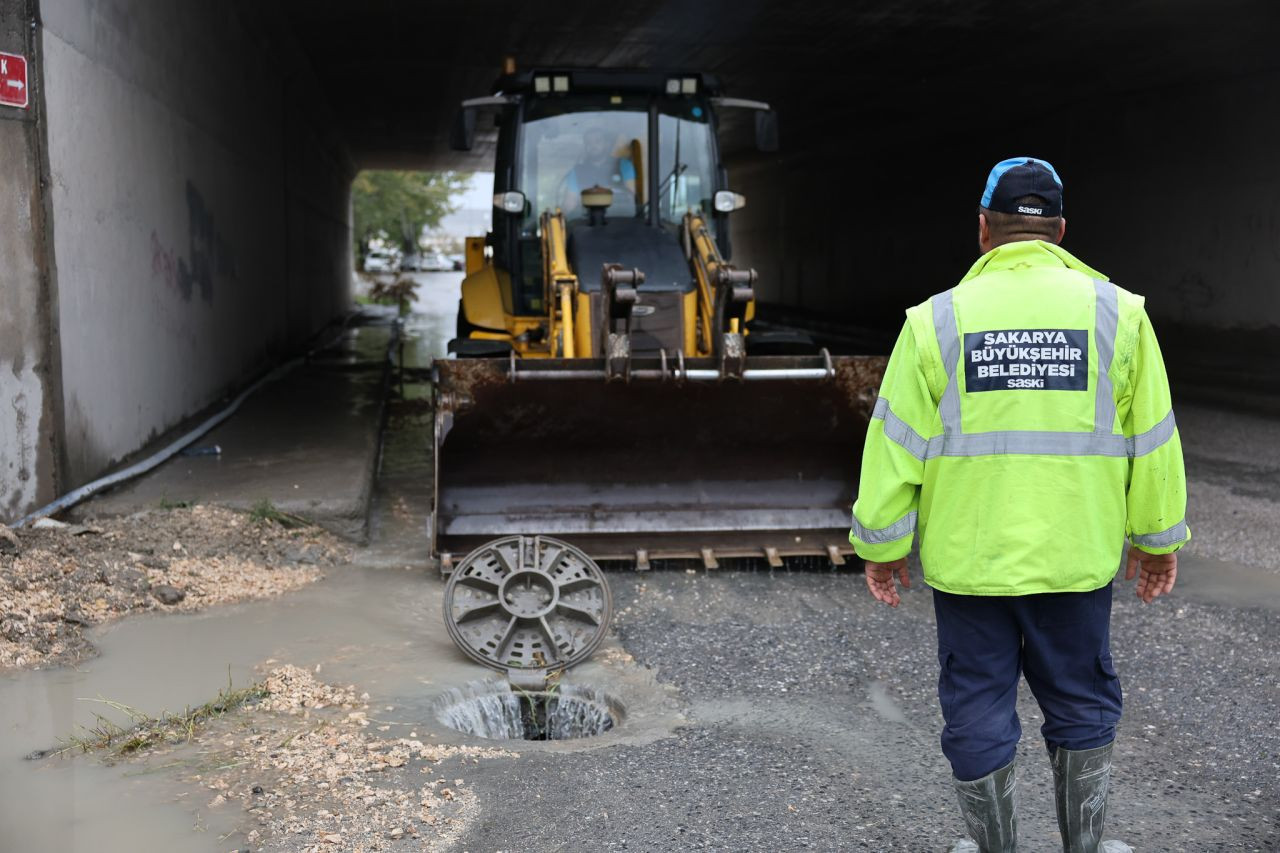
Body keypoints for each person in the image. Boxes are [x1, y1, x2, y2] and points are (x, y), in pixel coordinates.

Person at [849, 157, 1188, 853]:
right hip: (1075, 559)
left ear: (982, 230)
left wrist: (881, 548)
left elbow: (892, 446)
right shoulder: (1119, 315)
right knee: (1082, 701)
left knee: (976, 704)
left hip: (972, 565)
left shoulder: (933, 321)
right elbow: (1153, 442)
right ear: (1060, 231)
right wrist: (1156, 541)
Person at [560, 126, 636, 214]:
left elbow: (633, 196)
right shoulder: (577, 171)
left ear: (606, 144)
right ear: (585, 146)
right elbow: (569, 204)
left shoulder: (623, 165)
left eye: (598, 141)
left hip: (622, 220)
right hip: (586, 222)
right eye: (588, 143)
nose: (593, 146)